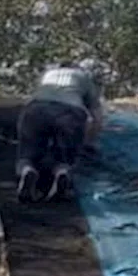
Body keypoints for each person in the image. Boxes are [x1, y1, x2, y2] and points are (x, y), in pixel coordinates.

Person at [16, 61, 106, 202]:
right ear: (76, 68)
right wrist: (90, 142)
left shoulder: (47, 74)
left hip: (36, 109)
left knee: (27, 153)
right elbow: (96, 114)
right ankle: (61, 172)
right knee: (65, 157)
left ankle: (27, 170)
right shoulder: (83, 77)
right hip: (70, 112)